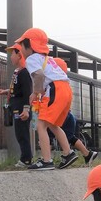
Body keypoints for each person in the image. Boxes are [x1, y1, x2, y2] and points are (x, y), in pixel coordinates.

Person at [12, 28, 77, 171]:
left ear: (29, 44)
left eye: (21, 45)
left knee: (41, 125)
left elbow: (39, 76)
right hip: (65, 89)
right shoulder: (46, 58)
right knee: (52, 124)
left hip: (55, 89)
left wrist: (35, 93)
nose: (20, 49)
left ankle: (46, 161)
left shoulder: (31, 59)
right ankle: (68, 153)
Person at [0, 44, 35, 167]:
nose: (10, 56)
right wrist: (5, 91)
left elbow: (27, 91)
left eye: (12, 54)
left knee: (22, 134)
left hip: (22, 109)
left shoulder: (24, 72)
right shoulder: (17, 71)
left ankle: (26, 159)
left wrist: (26, 109)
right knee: (20, 133)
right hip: (17, 108)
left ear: (19, 55)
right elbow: (17, 89)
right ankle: (25, 158)